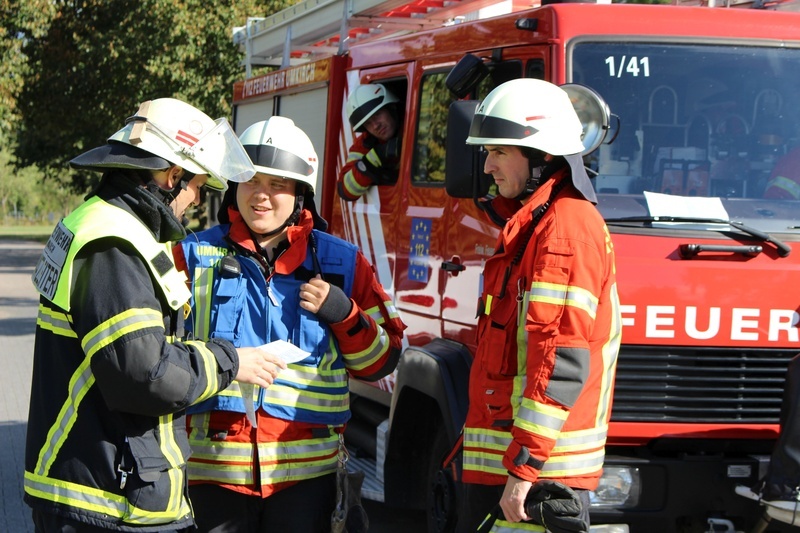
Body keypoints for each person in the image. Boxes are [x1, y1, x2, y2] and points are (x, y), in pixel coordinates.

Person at [24, 97, 287, 533]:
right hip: (104, 500)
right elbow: (145, 374)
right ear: (171, 176)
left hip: (107, 486)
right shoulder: (113, 244)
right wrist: (231, 361)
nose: (196, 200)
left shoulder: (109, 226)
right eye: (197, 185)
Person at [174, 116, 406, 532]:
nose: (261, 195)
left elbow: (381, 362)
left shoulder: (342, 263)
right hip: (214, 475)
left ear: (301, 194)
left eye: (277, 184)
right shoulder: (191, 256)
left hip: (306, 482)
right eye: (251, 181)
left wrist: (345, 314)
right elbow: (158, 356)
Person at [456, 79, 622, 533]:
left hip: (539, 480)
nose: (487, 165)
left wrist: (524, 468)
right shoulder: (535, 225)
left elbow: (558, 361)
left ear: (542, 155)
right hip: (515, 468)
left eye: (499, 151)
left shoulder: (565, 231)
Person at [337, 83, 402, 201]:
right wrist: (376, 156)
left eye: (377, 115)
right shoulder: (366, 143)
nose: (375, 126)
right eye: (368, 123)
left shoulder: (416, 124)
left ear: (391, 107)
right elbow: (345, 190)